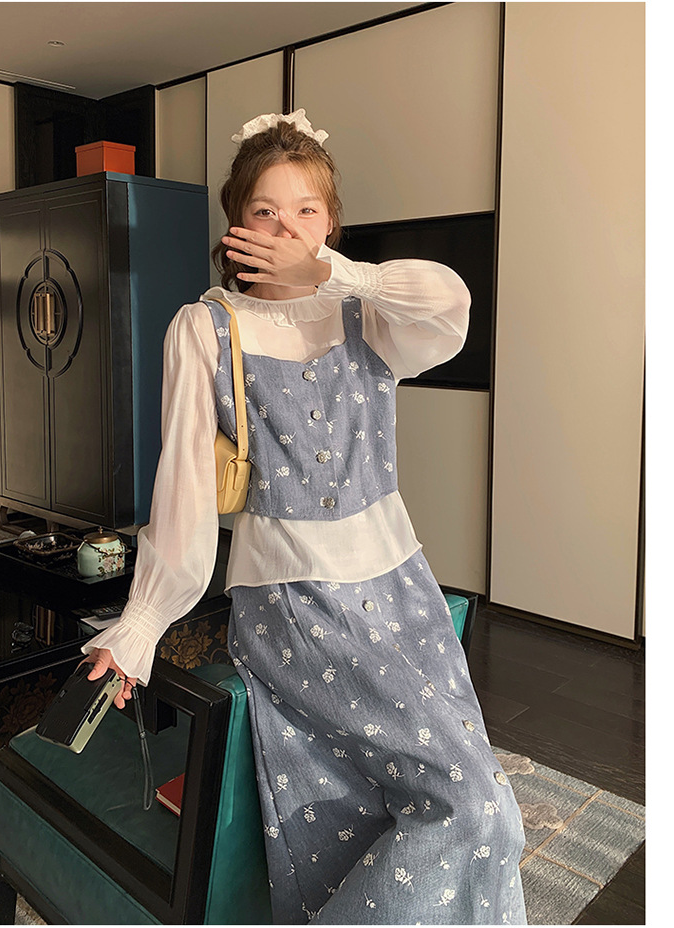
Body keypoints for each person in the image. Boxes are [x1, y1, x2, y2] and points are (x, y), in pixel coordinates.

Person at [82, 108, 527, 925]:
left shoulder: (370, 313)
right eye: (265, 211)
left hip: (403, 592)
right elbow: (182, 494)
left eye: (306, 211)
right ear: (235, 228)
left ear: (330, 225)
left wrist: (339, 274)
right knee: (473, 806)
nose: (286, 228)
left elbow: (453, 304)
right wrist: (141, 623)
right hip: (295, 607)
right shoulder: (206, 328)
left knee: (467, 795)